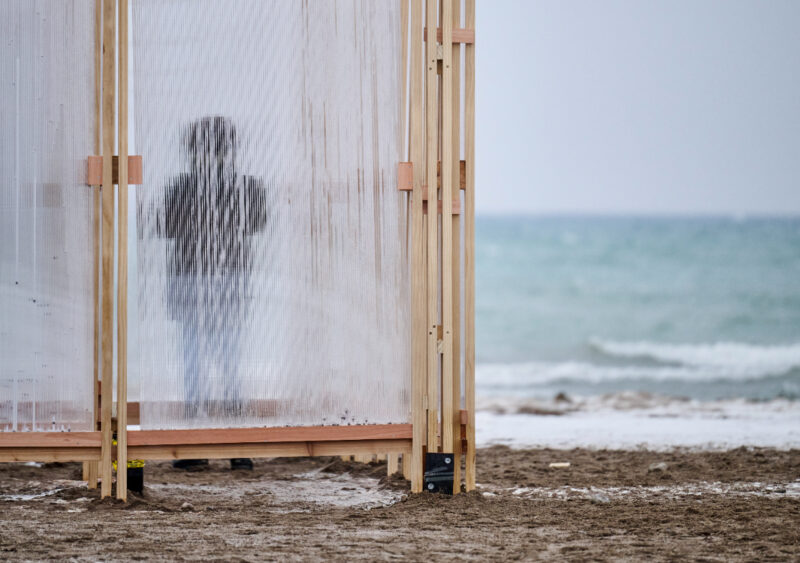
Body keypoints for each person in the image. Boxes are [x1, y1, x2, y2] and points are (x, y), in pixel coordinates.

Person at [158, 116, 268, 471]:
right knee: (229, 359)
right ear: (231, 147)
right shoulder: (247, 186)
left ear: (191, 149)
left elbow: (167, 228)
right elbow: (256, 224)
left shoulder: (181, 186)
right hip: (229, 276)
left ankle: (194, 446)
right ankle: (237, 446)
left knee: (194, 361)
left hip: (191, 276)